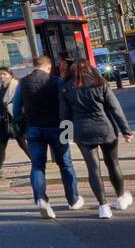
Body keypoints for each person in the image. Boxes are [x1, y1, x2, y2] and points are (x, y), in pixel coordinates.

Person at [60, 60, 134, 219]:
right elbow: (115, 108)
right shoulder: (99, 82)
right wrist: (126, 130)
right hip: (105, 128)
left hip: (82, 132)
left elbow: (64, 115)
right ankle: (121, 198)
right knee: (113, 164)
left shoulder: (66, 87)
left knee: (93, 169)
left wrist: (66, 136)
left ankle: (103, 207)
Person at [13, 55, 83, 219]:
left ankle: (41, 200)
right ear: (49, 67)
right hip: (58, 128)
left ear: (34, 66)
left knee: (38, 166)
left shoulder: (22, 83)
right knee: (66, 164)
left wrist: (20, 127)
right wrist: (69, 128)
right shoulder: (57, 81)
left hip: (33, 129)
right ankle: (73, 200)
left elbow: (16, 108)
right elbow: (65, 105)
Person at [0, 67, 28, 182]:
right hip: (2, 121)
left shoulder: (16, 86)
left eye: (4, 74)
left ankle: (37, 164)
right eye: (0, 74)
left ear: (10, 75)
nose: (1, 76)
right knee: (1, 146)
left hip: (13, 120)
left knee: (22, 143)